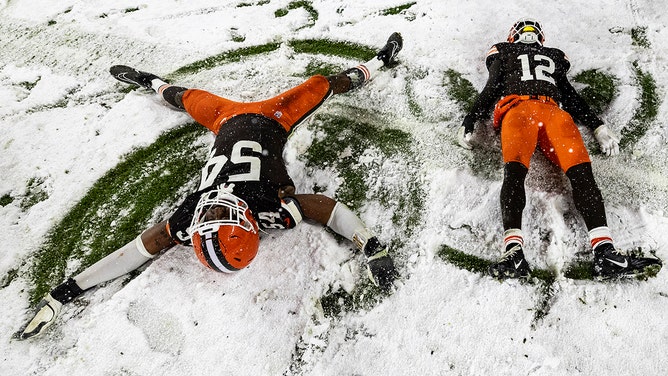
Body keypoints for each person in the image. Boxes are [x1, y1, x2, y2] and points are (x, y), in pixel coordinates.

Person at [17, 33, 404, 340]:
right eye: (222, 215)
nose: (211, 208)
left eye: (208, 217)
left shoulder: (190, 222)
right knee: (322, 85)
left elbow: (134, 252)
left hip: (225, 119)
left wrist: (68, 290)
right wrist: (370, 245)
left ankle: (147, 80)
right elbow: (328, 209)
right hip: (274, 117)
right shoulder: (271, 209)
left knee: (183, 98)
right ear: (249, 224)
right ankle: (376, 63)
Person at [456, 18, 661, 280]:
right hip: (541, 112)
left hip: (531, 111)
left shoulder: (514, 52)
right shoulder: (543, 54)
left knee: (553, 172)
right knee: (543, 173)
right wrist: (596, 125)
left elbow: (499, 87)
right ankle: (590, 251)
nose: (528, 32)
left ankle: (591, 252)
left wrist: (471, 118)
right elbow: (561, 92)